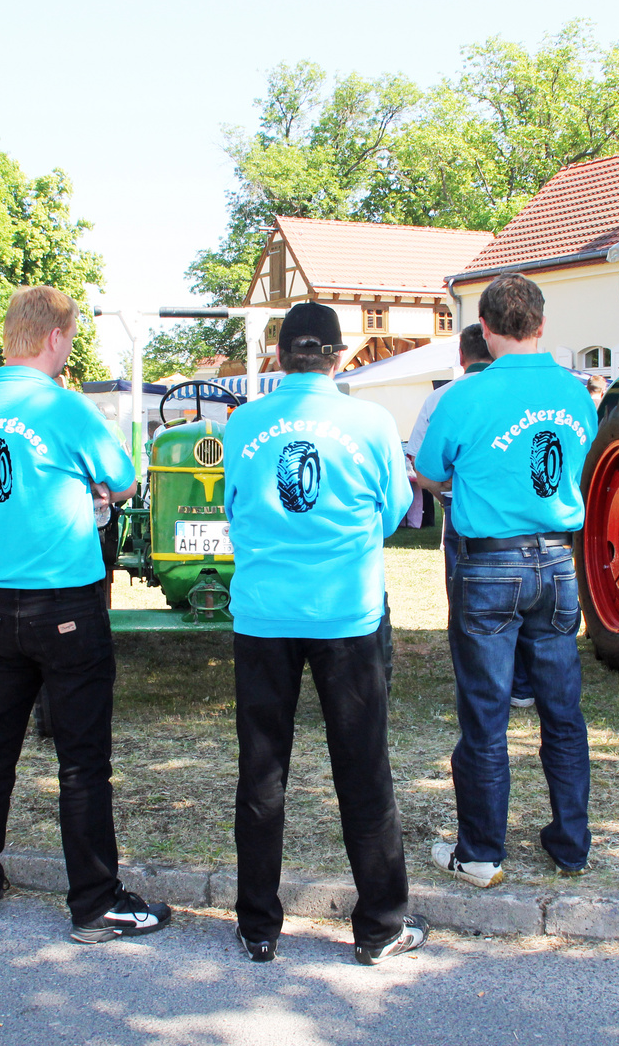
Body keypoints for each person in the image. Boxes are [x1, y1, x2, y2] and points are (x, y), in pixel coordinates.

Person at [0, 285, 171, 943]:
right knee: (81, 760)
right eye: (70, 340)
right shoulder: (62, 407)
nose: (69, 350)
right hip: (66, 602)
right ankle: (94, 903)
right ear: (53, 337)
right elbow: (125, 479)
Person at [223, 301, 427, 965]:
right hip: (346, 615)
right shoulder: (369, 422)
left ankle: (257, 926)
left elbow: (234, 506)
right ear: (338, 356)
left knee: (262, 773)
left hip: (262, 616)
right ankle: (380, 926)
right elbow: (397, 510)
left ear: (279, 357)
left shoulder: (242, 425)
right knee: (364, 773)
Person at [415, 273, 598, 889]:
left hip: (489, 561)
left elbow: (430, 469)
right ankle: (571, 843)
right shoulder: (576, 393)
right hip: (558, 560)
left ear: (486, 332)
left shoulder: (464, 396)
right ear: (542, 326)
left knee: (486, 713)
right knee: (563, 711)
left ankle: (482, 853)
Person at [405, 324, 535, 708]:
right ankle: (522, 684)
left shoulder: (444, 396)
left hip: (461, 510)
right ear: (494, 348)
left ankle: (482, 687)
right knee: (527, 598)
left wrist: (446, 490)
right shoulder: (520, 394)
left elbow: (419, 461)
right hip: (521, 510)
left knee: (467, 602)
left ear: (461, 357)